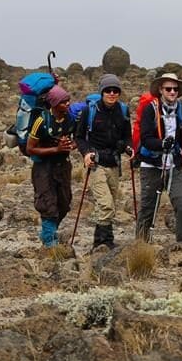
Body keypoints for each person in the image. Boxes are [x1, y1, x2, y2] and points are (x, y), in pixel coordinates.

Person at [75, 74, 133, 250]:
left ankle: (101, 243)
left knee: (111, 204)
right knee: (106, 205)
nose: (112, 93)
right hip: (96, 164)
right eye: (108, 90)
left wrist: (128, 147)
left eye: (115, 90)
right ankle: (104, 242)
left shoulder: (123, 111)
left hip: (114, 164)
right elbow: (79, 137)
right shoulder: (90, 111)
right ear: (102, 92)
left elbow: (127, 136)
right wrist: (86, 153)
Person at [136, 73, 182, 242]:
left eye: (175, 89)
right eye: (168, 89)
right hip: (152, 165)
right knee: (148, 208)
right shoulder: (150, 110)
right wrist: (162, 144)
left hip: (174, 164)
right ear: (161, 90)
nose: (172, 92)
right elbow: (145, 138)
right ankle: (140, 246)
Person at [25, 85, 76, 247]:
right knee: (47, 205)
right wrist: (56, 149)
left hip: (63, 166)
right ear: (54, 104)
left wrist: (70, 145)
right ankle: (50, 245)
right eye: (63, 102)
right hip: (43, 168)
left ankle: (47, 233)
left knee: (64, 204)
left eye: (68, 101)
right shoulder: (41, 121)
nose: (67, 104)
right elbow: (30, 148)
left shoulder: (70, 118)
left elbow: (77, 139)